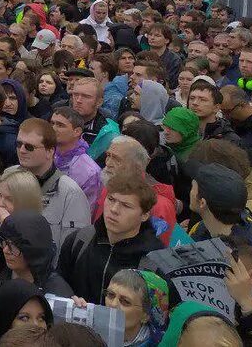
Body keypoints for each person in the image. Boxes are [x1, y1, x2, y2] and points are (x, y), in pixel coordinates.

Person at [55, 172, 161, 304]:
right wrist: (69, 297)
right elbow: (58, 281)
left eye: (126, 205)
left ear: (145, 215)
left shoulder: (155, 260)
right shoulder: (79, 239)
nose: (114, 209)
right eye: (111, 199)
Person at [14, 118, 91, 253]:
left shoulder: (70, 193)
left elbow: (72, 249)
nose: (22, 150)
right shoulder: (10, 177)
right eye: (18, 144)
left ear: (50, 151)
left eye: (29, 147)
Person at [50, 107, 103, 208]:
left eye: (60, 125)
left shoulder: (90, 171)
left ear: (77, 131)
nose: (53, 128)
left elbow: (87, 211)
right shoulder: (45, 154)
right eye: (52, 123)